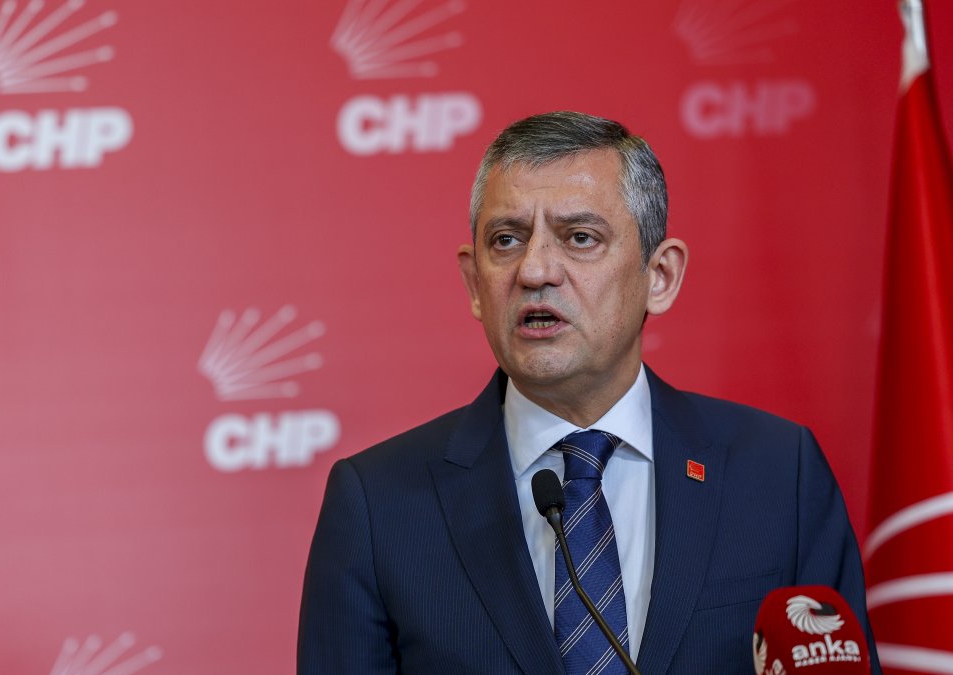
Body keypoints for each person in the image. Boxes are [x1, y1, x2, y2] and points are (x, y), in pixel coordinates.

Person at [298, 111, 880, 674]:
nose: (535, 271)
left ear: (660, 276)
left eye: (580, 237)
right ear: (475, 284)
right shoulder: (378, 506)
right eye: (506, 240)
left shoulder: (780, 474)